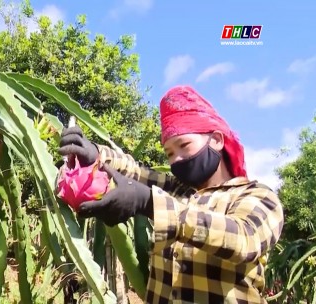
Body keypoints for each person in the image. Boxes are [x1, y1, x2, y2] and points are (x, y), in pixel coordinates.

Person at [57, 85, 284, 303]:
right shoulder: (177, 191)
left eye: (184, 145)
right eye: (170, 153)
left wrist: (150, 203)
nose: (176, 159)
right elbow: (135, 172)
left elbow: (244, 240)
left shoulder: (258, 197)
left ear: (216, 140)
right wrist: (96, 154)